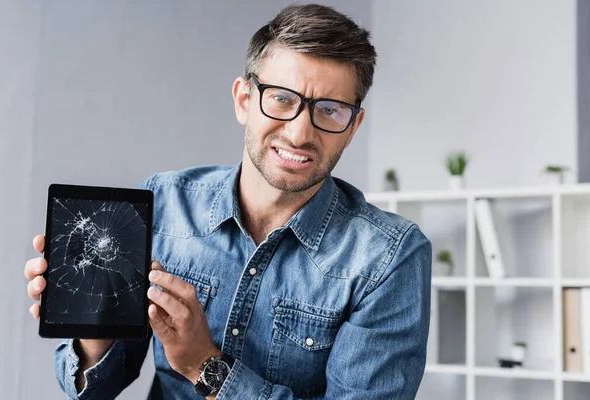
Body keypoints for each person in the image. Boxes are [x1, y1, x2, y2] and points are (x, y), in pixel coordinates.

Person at [24, 4, 431, 399]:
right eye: (282, 99)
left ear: (353, 125)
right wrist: (96, 327)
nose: (300, 133)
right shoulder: (164, 203)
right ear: (243, 100)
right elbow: (94, 389)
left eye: (330, 110)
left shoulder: (389, 258)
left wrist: (205, 365)